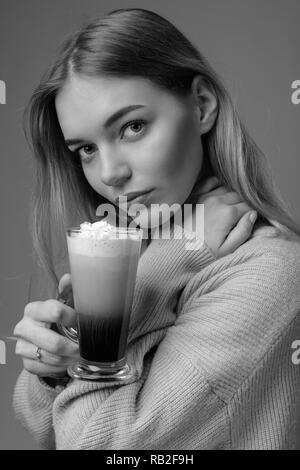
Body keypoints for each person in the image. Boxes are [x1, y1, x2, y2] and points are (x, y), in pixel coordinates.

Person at [13, 8, 300, 450]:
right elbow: (41, 429)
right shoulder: (139, 249)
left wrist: (160, 268)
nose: (109, 173)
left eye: (132, 127)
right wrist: (54, 362)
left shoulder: (270, 272)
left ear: (201, 105)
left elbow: (96, 444)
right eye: (86, 148)